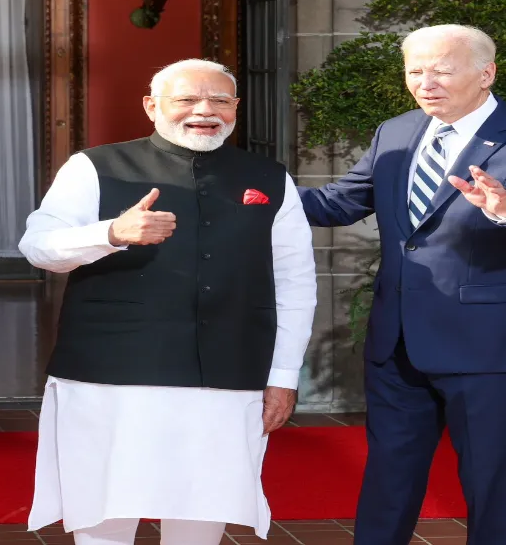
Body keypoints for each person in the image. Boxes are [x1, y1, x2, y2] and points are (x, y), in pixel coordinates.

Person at [299, 24, 506, 545]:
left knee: (492, 483)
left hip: (493, 345)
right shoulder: (395, 132)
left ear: (486, 74)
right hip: (398, 340)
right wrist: (250, 194)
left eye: (441, 69)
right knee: (390, 475)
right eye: (415, 70)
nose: (425, 82)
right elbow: (339, 202)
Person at [19, 58, 317, 545]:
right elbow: (39, 248)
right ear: (151, 106)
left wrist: (283, 376)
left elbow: (295, 280)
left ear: (236, 108)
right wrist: (112, 233)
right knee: (104, 509)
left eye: (220, 100)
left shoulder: (269, 177)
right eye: (187, 100)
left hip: (228, 371)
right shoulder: (95, 166)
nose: (205, 110)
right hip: (111, 371)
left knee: (205, 510)